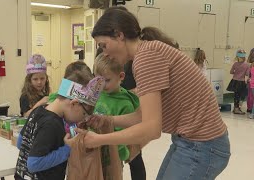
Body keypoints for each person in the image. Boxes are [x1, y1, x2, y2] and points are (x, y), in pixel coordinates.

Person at [75, 7, 230, 180]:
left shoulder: (146, 58)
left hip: (202, 145)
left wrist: (99, 140)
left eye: (104, 45)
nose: (105, 53)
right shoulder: (147, 52)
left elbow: (151, 129)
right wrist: (108, 120)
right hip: (190, 142)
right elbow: (143, 115)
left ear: (119, 35)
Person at [14, 70, 96, 180]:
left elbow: (20, 143)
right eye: (84, 113)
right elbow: (33, 164)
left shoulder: (38, 110)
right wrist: (69, 148)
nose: (83, 119)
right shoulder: (52, 124)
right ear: (74, 103)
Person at [94, 53, 142, 179]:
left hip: (112, 159)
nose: (102, 85)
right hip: (93, 153)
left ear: (121, 76)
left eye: (107, 80)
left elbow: (124, 139)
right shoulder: (97, 93)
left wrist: (121, 154)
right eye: (98, 80)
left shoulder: (125, 105)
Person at [227, 49, 250, 114]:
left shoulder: (235, 64)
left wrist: (236, 72)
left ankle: (235, 108)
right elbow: (247, 74)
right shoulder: (247, 65)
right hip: (241, 81)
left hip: (234, 81)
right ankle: (237, 108)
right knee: (241, 95)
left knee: (236, 95)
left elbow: (231, 72)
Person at [247, 48, 254, 118]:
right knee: (250, 96)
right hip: (251, 82)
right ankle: (250, 109)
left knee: (250, 96)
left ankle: (250, 109)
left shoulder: (250, 64)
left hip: (250, 82)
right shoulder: (250, 64)